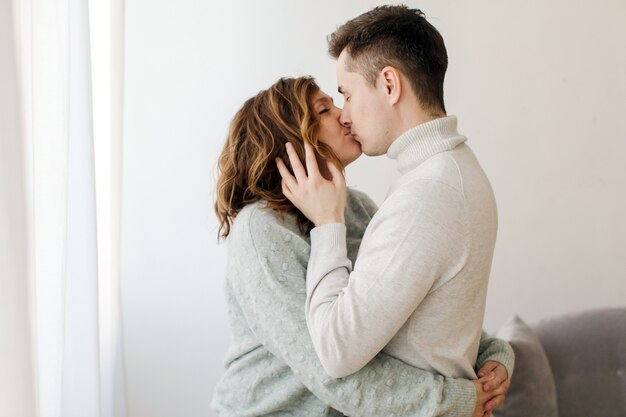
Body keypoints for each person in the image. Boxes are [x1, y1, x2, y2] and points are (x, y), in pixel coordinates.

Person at [212, 76, 513, 417]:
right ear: (289, 139)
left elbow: (399, 310)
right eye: (325, 110)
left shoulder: (356, 207)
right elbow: (326, 367)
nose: (344, 115)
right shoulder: (260, 231)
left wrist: (493, 355)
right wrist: (453, 401)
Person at [277, 6, 507, 416]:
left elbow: (335, 349)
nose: (344, 115)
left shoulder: (429, 193)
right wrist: (497, 352)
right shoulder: (451, 171)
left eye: (346, 94)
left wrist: (328, 223)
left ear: (388, 84)